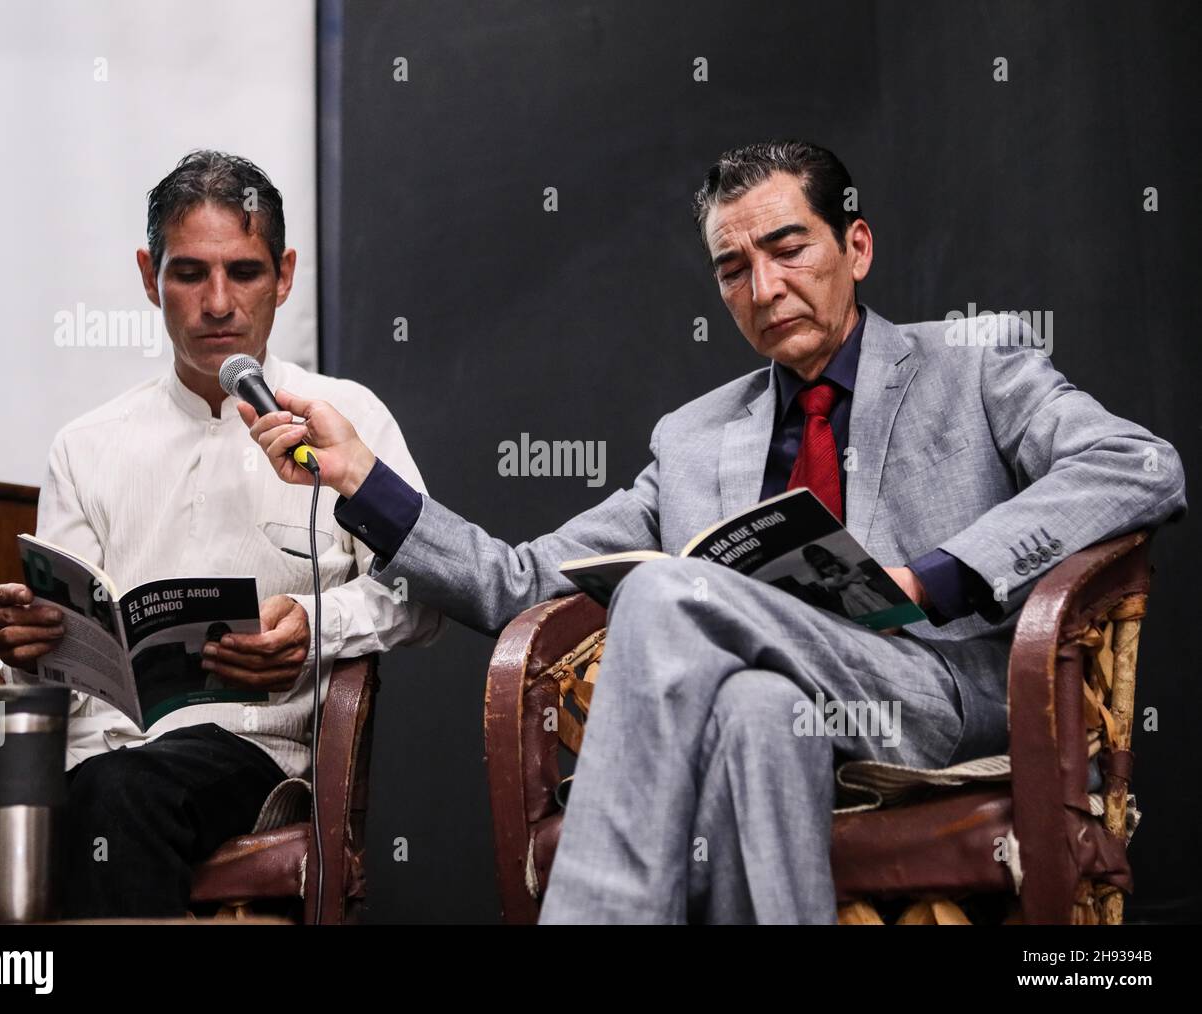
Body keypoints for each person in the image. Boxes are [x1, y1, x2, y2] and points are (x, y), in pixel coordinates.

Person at [241, 140, 1185, 923]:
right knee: (752, 713)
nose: (765, 286)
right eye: (734, 268)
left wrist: (934, 576)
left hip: (933, 691)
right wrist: (364, 481)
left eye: (788, 248)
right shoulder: (692, 440)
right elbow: (523, 583)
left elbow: (1142, 466)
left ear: (855, 246)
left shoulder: (973, 367)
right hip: (797, 713)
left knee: (661, 591)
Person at [0, 150, 443, 923]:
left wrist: (318, 628)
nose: (218, 302)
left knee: (125, 791)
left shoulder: (345, 415)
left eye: (245, 273)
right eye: (189, 273)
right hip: (88, 752)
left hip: (248, 755)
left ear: (284, 275)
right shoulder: (85, 444)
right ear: (147, 275)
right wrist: (32, 645)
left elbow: (422, 593)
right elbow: (62, 665)